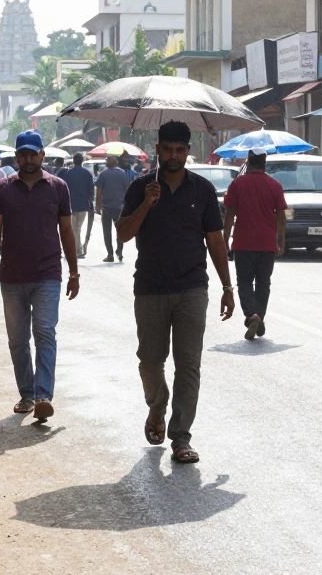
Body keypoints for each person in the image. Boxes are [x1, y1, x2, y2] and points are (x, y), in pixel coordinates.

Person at [118, 121, 233, 465]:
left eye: (180, 150)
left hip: (192, 289)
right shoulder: (141, 187)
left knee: (188, 365)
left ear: (188, 151)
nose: (173, 156)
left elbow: (215, 240)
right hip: (150, 288)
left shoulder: (202, 190)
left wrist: (228, 287)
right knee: (150, 361)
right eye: (167, 149)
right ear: (157, 149)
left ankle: (181, 436)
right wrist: (145, 206)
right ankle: (157, 407)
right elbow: (123, 234)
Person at [0, 131, 79, 419]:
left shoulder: (58, 187)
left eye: (33, 153)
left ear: (42, 155)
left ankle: (43, 395)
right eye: (23, 153)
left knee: (45, 332)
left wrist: (74, 272)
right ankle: (27, 394)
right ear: (16, 156)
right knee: (18, 340)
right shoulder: (3, 189)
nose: (28, 158)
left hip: (48, 273)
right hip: (11, 276)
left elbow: (67, 231)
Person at [221, 147, 287, 340]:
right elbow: (281, 217)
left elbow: (229, 215)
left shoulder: (237, 184)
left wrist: (225, 240)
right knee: (263, 283)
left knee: (244, 282)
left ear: (248, 162)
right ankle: (259, 316)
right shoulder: (274, 185)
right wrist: (281, 241)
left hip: (243, 243)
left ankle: (251, 315)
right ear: (265, 163)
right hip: (267, 244)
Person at [56, 152, 96, 259]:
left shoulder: (68, 174)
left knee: (74, 227)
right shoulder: (87, 174)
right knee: (77, 227)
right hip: (83, 205)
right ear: (82, 161)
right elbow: (91, 191)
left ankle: (75, 249)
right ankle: (77, 249)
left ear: (73, 161)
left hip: (70, 205)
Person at [95, 155, 130, 262]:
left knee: (107, 231)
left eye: (107, 160)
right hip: (119, 207)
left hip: (106, 207)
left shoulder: (103, 174)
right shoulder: (123, 174)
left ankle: (110, 255)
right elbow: (127, 189)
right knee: (119, 230)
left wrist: (97, 205)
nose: (106, 162)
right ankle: (119, 251)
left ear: (112, 162)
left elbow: (99, 190)